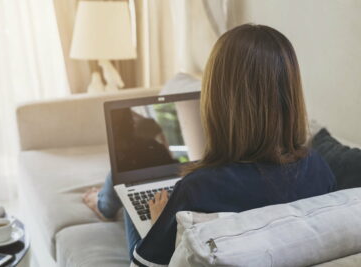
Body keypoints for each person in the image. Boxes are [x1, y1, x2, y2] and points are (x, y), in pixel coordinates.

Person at [83, 24, 336, 266]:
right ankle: (103, 201)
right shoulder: (318, 168)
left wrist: (157, 223)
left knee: (128, 183)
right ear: (290, 94)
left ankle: (103, 204)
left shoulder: (198, 188)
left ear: (218, 100)